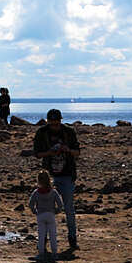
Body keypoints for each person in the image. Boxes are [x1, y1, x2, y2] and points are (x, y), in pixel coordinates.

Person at [31, 108, 82, 254]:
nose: (54, 126)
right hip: (48, 176)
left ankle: (72, 240)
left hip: (67, 174)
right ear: (48, 121)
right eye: (52, 123)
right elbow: (37, 154)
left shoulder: (68, 132)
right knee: (45, 209)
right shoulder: (42, 133)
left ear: (60, 121)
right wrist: (50, 152)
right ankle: (43, 241)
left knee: (69, 208)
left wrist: (67, 150)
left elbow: (77, 152)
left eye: (57, 123)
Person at [29, 174, 63, 261]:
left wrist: (34, 211)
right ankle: (54, 254)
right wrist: (57, 211)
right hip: (50, 215)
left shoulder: (36, 192)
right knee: (53, 235)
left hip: (40, 215)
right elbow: (60, 204)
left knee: (41, 235)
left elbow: (31, 204)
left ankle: (41, 254)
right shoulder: (53, 191)